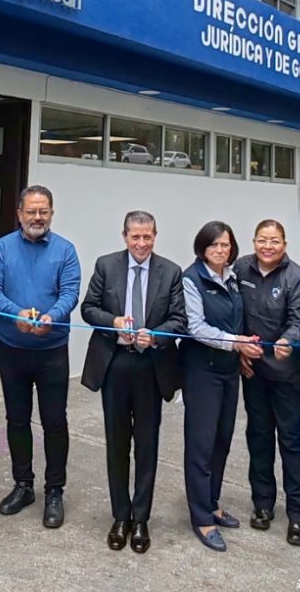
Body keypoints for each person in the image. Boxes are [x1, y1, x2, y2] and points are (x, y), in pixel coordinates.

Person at [81, 211, 186, 554]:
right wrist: (113, 321)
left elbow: (179, 320)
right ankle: (120, 516)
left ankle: (141, 517)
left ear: (156, 236)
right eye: (135, 237)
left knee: (147, 444)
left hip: (150, 366)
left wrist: (154, 336)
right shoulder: (106, 265)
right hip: (115, 362)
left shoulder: (169, 271)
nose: (141, 244)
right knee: (116, 443)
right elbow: (88, 309)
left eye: (148, 237)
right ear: (124, 236)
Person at [0, 185, 80, 528]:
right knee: (17, 420)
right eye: (31, 212)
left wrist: (52, 316)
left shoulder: (66, 250)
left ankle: (55, 490)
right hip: (13, 350)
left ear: (51, 213)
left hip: (52, 350)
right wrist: (16, 314)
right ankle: (23, 484)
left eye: (44, 211)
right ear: (19, 214)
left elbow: (71, 292)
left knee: (55, 423)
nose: (37, 218)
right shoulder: (2, 248)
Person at [180, 221, 262, 552]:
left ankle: (212, 501)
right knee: (201, 445)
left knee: (222, 440)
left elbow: (238, 320)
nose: (220, 250)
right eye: (214, 245)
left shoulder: (232, 278)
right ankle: (201, 516)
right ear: (202, 248)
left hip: (229, 371)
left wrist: (240, 352)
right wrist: (236, 343)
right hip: (201, 371)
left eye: (226, 245)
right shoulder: (191, 279)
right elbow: (196, 327)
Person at [233, 219, 300, 546]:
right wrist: (238, 349)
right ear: (254, 242)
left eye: (275, 241)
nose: (268, 246)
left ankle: (298, 513)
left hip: (289, 376)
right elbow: (233, 311)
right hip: (254, 372)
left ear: (284, 244)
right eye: (263, 240)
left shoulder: (297, 278)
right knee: (259, 438)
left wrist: (288, 340)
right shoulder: (240, 269)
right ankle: (262, 505)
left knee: (291, 442)